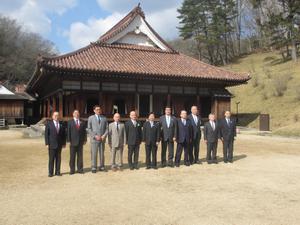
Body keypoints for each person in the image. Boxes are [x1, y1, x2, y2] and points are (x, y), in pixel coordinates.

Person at [87, 105, 108, 173]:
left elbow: (107, 128)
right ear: (94, 110)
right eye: (97, 109)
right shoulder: (91, 118)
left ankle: (102, 166)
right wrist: (95, 136)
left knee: (102, 153)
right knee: (94, 153)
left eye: (99, 109)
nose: (98, 110)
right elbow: (89, 128)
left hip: (102, 139)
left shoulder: (104, 118)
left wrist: (104, 136)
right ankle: (94, 167)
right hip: (94, 139)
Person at [45, 111, 66, 177]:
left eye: (57, 115)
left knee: (58, 159)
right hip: (51, 144)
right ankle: (50, 172)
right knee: (51, 159)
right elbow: (46, 134)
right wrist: (47, 143)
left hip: (59, 144)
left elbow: (64, 135)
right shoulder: (49, 124)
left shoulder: (61, 124)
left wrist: (64, 143)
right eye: (55, 115)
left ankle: (57, 172)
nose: (56, 117)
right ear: (52, 116)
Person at [67, 110, 87, 175]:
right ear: (73, 114)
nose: (77, 114)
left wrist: (85, 139)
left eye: (78, 113)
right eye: (75, 113)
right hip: (72, 142)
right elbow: (68, 132)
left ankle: (80, 169)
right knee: (72, 156)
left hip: (80, 142)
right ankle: (72, 170)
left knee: (80, 156)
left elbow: (84, 132)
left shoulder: (83, 121)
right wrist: (68, 140)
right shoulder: (70, 122)